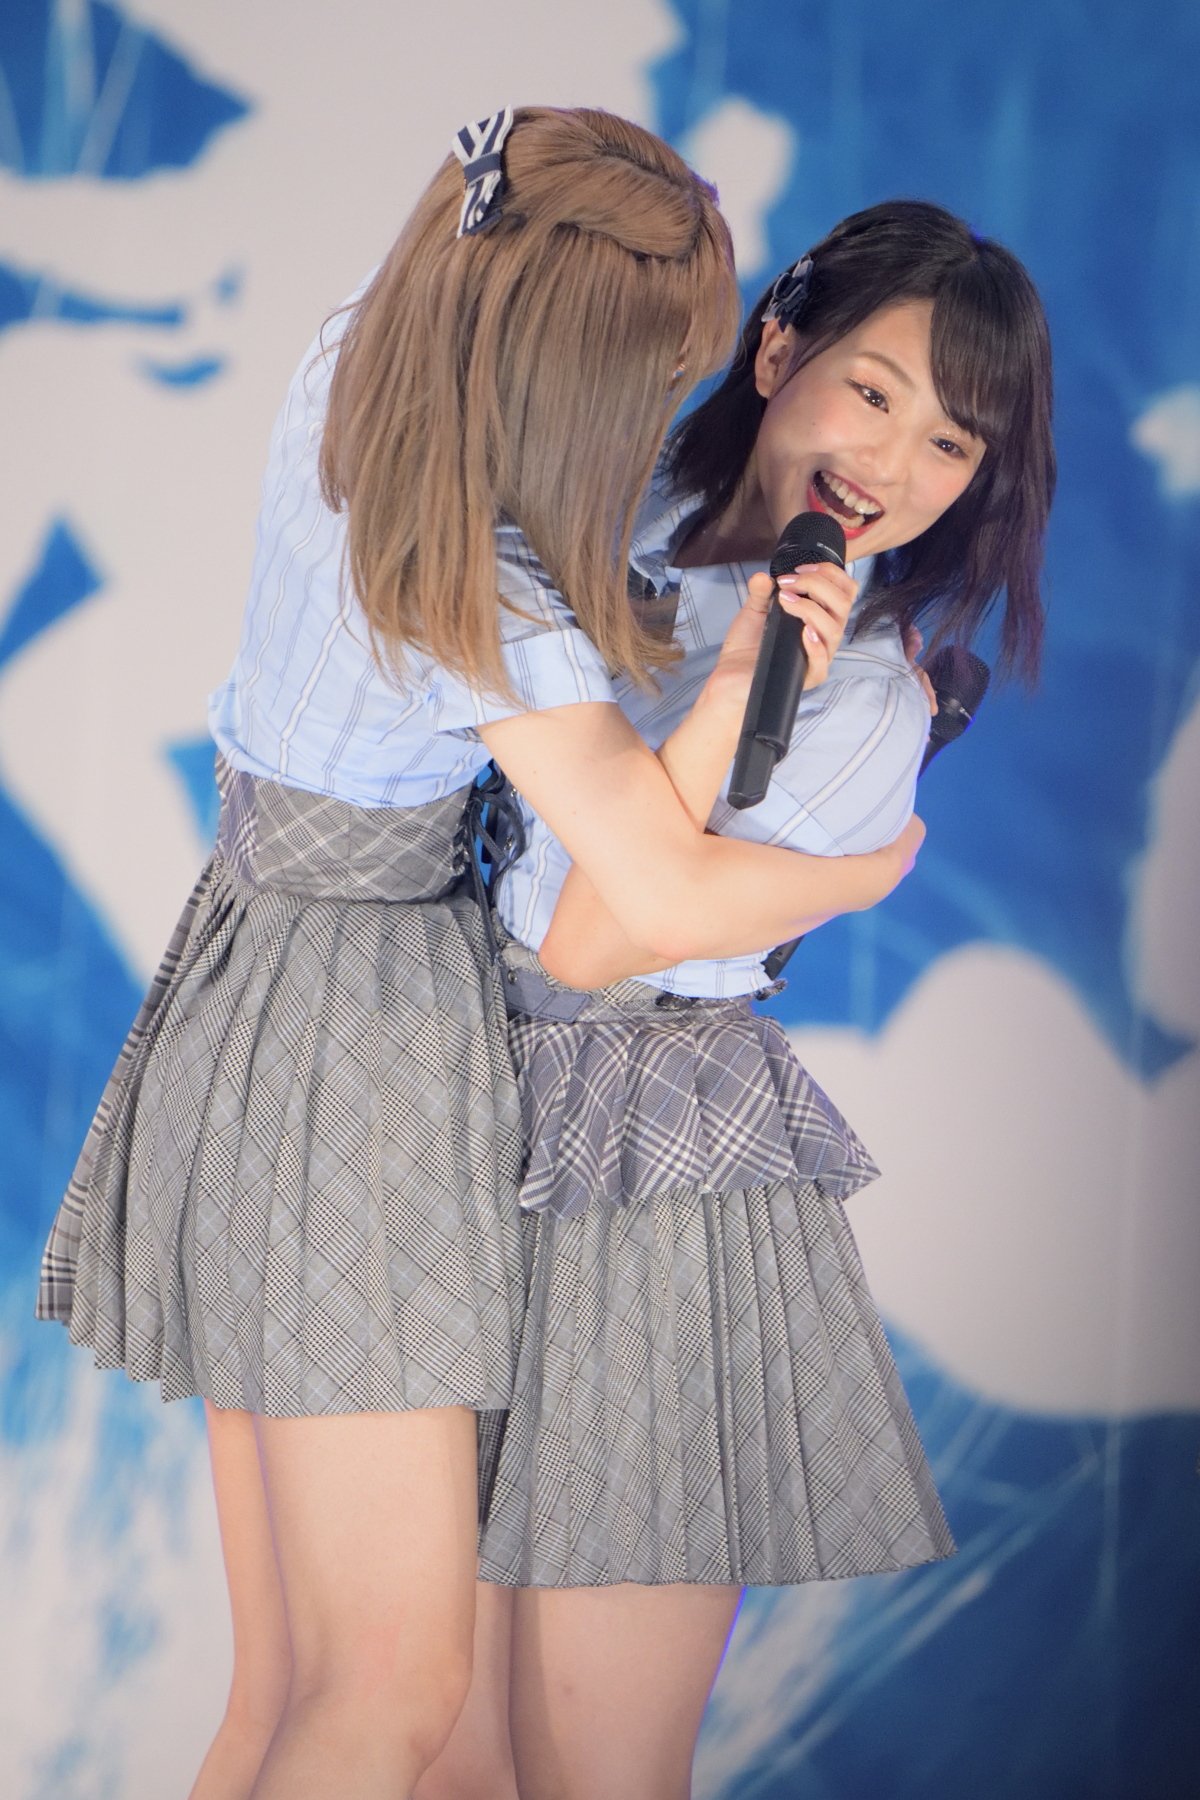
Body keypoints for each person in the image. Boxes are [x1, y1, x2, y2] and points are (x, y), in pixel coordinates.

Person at [34, 111, 919, 1800]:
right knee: (389, 1695)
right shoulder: (481, 586)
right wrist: (860, 862)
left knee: (286, 1692)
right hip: (354, 1045)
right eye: (654, 370)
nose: (669, 405)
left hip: (252, 983)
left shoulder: (350, 367)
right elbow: (638, 897)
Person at [416, 199, 1054, 1800]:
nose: (893, 464)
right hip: (437, 1137)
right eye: (873, 392)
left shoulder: (870, 706)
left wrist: (730, 701)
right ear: (778, 350)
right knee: (435, 1741)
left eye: (951, 444)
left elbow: (588, 940)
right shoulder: (598, 521)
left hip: (649, 1185)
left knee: (593, 1765)